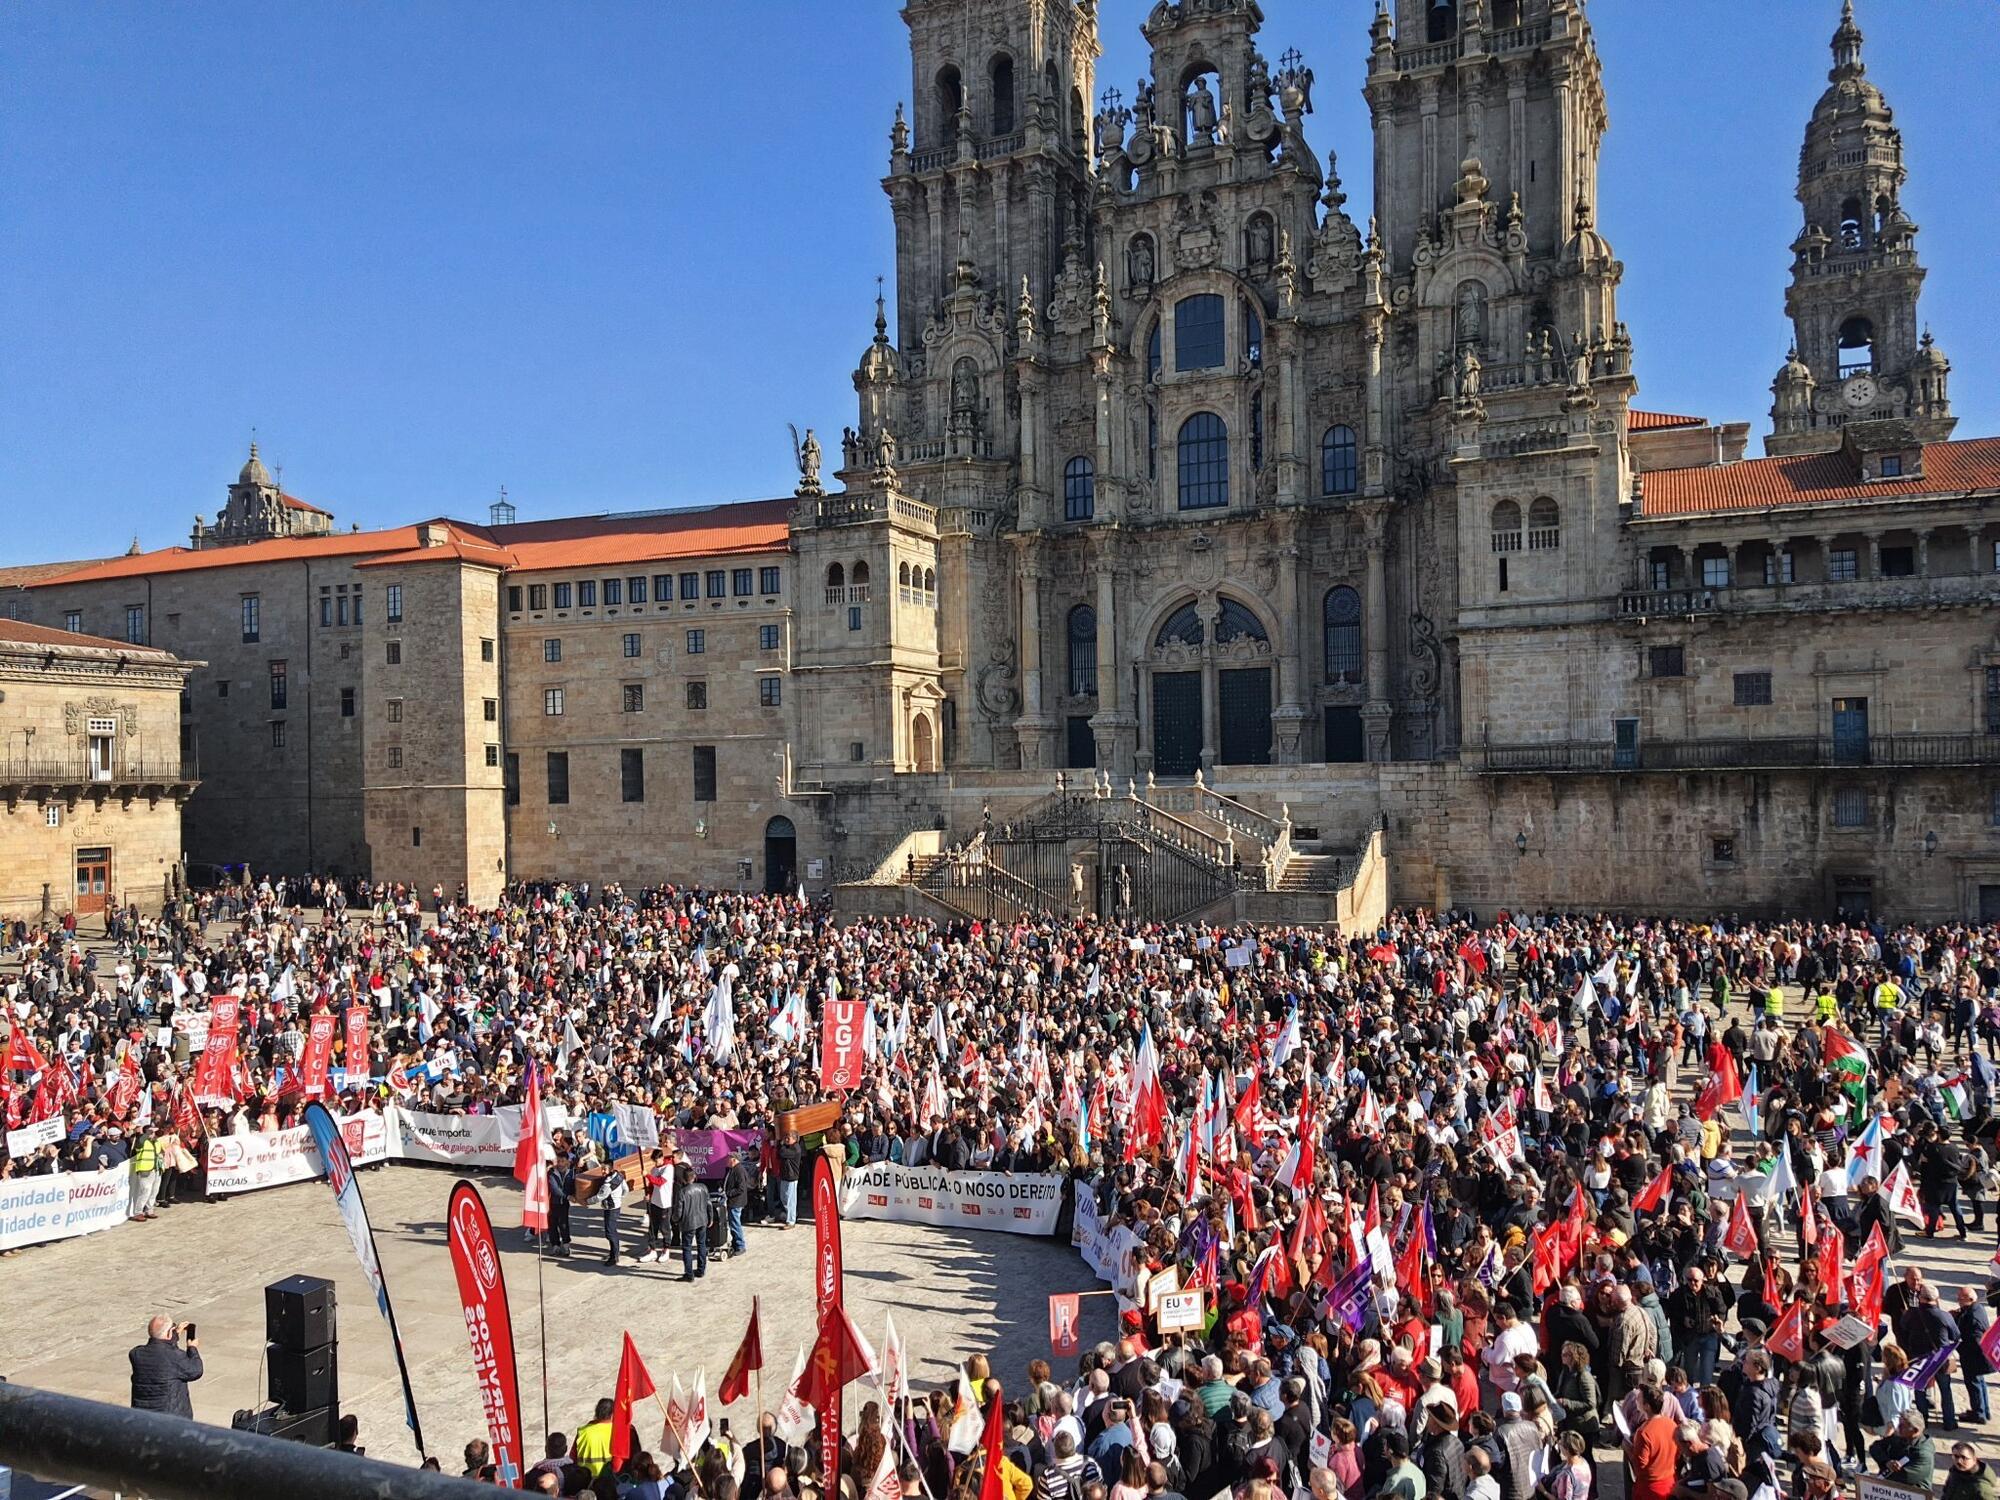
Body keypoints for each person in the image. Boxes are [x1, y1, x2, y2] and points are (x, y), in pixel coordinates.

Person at [128, 1315, 202, 1417]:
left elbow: (163, 1349)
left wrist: (174, 1333)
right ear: (169, 1332)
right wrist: (192, 1348)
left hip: (143, 1415)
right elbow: (195, 1370)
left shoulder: (137, 1354)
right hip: (171, 1417)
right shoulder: (176, 1357)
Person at [675, 1164, 713, 1281]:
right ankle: (701, 1270)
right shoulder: (703, 1187)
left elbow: (678, 1211)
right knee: (702, 1245)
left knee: (687, 1247)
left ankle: (689, 1274)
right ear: (694, 1177)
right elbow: (709, 1204)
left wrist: (675, 1220)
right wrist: (710, 1218)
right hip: (702, 1220)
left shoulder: (682, 1192)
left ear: (683, 1179)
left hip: (688, 1223)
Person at [723, 1150, 755, 1258]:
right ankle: (735, 1242)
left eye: (729, 1158)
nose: (727, 1161)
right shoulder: (733, 1169)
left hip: (736, 1201)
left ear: (734, 1160)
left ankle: (740, 1245)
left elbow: (741, 1188)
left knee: (735, 1224)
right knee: (733, 1223)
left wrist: (728, 1193)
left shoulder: (739, 1170)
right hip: (734, 1201)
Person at [574, 1397, 616, 1477]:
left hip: (584, 1479)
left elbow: (573, 1456)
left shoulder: (582, 1431)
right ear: (612, 1414)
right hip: (608, 1480)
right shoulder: (617, 1432)